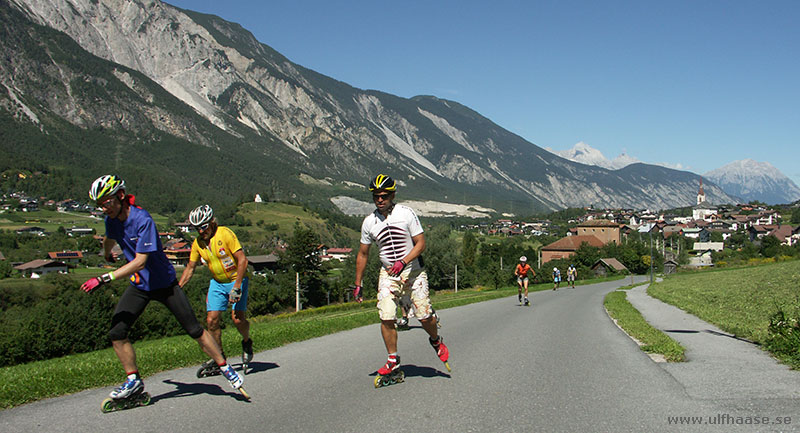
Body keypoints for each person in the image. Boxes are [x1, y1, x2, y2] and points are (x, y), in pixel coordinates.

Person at [80, 175, 243, 400]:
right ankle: (133, 380)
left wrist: (103, 278)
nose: (103, 208)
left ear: (119, 196)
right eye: (99, 204)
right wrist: (107, 252)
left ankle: (226, 368)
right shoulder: (112, 220)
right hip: (140, 285)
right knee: (117, 332)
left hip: (164, 285)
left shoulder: (142, 219)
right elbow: (110, 237)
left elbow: (140, 262)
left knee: (194, 330)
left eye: (106, 202)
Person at [354, 174, 449, 377]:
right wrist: (358, 283)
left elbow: (421, 244)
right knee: (386, 315)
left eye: (384, 196)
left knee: (423, 316)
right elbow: (363, 254)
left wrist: (403, 261)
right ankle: (392, 360)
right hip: (388, 273)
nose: (380, 200)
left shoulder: (406, 213)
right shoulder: (369, 222)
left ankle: (435, 339)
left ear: (393, 195)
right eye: (376, 196)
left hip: (414, 271)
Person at [178, 205, 253, 374]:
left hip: (236, 279)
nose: (201, 231)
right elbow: (190, 268)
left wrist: (237, 286)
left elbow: (242, 260)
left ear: (212, 222)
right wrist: (177, 288)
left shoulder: (224, 234)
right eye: (197, 228)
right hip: (217, 282)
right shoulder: (198, 243)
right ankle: (219, 357)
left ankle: (247, 342)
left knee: (237, 319)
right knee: (211, 320)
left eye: (203, 227)